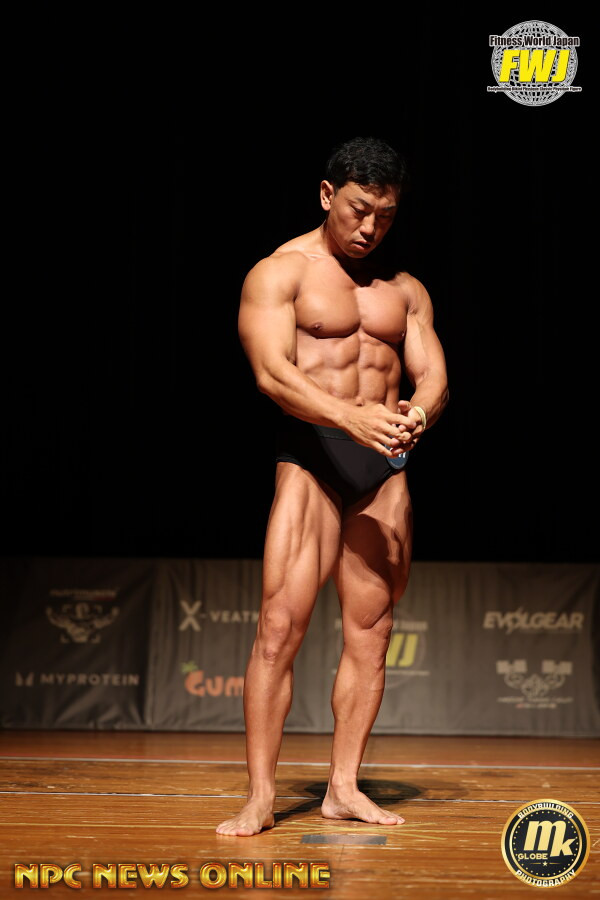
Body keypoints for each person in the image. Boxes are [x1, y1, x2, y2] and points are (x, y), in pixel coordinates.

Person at [216, 136, 448, 836]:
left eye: (385, 214)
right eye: (358, 209)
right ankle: (261, 796)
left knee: (371, 634)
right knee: (278, 629)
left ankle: (343, 788)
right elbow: (271, 374)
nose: (370, 227)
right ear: (327, 195)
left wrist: (417, 415)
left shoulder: (405, 290)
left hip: (383, 473)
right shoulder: (280, 272)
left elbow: (433, 377)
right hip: (313, 458)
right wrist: (351, 416)